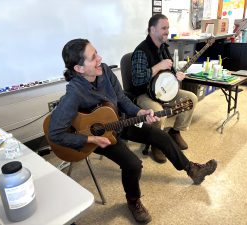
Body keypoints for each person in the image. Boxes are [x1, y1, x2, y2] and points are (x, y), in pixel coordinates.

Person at [48, 38, 217, 224]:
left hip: (119, 122)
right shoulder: (74, 93)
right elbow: (55, 133)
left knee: (159, 135)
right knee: (133, 164)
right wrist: (90, 140)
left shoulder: (104, 70)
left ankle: (192, 169)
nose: (100, 58)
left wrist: (140, 112)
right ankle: (133, 201)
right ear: (79, 69)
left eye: (97, 53)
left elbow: (121, 98)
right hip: (98, 137)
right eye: (93, 57)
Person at [131, 14, 198, 164]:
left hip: (164, 91)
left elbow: (169, 73)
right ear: (152, 29)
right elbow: (137, 81)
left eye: (168, 27)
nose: (167, 31)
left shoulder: (163, 47)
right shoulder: (141, 51)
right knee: (159, 114)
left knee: (191, 99)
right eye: (163, 28)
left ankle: (175, 132)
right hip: (144, 94)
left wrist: (177, 75)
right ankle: (157, 143)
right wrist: (156, 67)